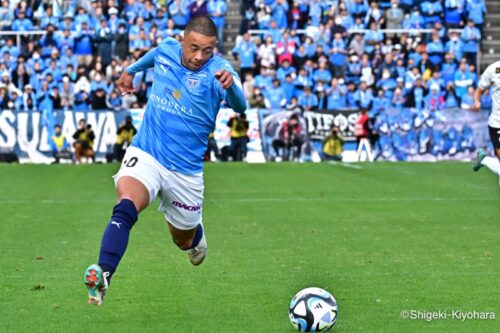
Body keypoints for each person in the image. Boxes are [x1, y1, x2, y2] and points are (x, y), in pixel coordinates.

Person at [83, 16, 246, 306]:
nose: (199, 56)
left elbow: (240, 105)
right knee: (125, 207)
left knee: (183, 242)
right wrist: (130, 72)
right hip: (147, 153)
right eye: (194, 48)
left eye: (207, 50)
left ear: (215, 48)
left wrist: (231, 86)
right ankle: (104, 275)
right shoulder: (168, 48)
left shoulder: (219, 70)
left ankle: (195, 237)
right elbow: (155, 54)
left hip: (185, 172)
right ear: (183, 41)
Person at [472, 60, 500, 185]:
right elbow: (479, 91)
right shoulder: (493, 69)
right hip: (497, 122)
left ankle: (484, 159)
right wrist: (477, 101)